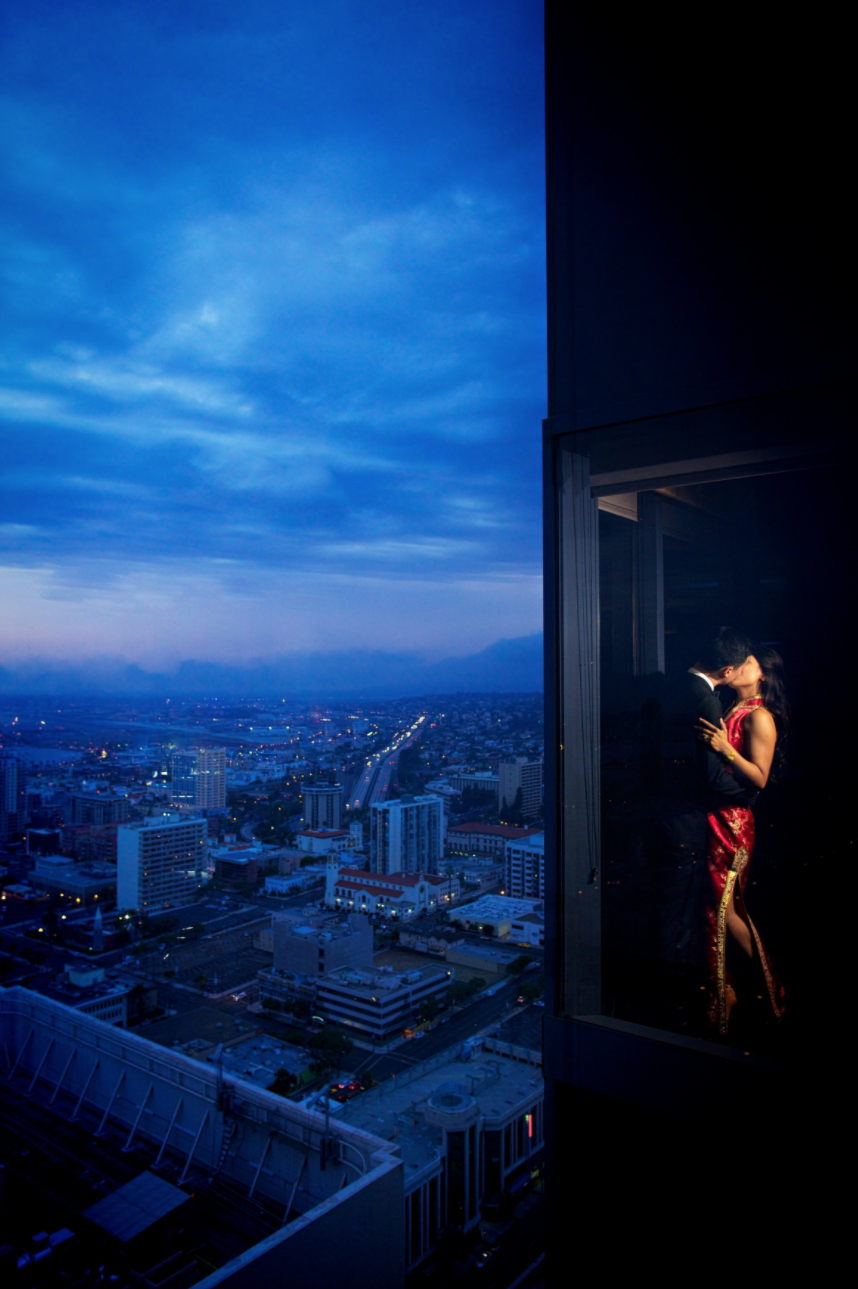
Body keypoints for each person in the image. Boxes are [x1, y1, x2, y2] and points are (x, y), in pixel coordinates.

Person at [697, 645, 787, 1036]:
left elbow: (761, 778)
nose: (740, 666)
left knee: (723, 914)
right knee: (721, 911)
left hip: (733, 826)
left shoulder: (761, 716)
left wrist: (725, 749)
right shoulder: (731, 707)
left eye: (750, 662)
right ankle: (739, 993)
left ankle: (765, 996)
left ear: (762, 674)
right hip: (716, 818)